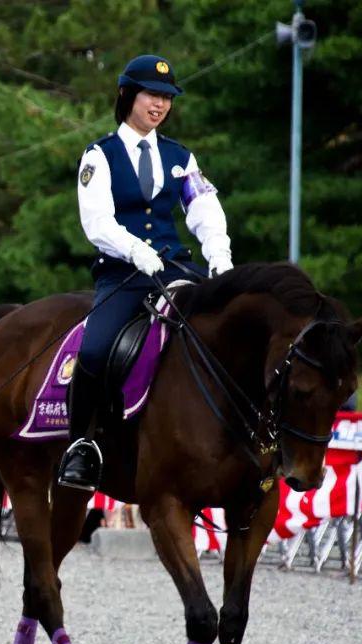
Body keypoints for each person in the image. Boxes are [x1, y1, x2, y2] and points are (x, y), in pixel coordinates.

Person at [58, 54, 234, 491]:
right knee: (96, 349)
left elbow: (204, 209)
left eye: (167, 98)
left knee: (226, 335)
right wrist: (135, 250)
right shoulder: (100, 155)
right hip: (122, 273)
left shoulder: (181, 157)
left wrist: (220, 259)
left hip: (175, 266)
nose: (160, 105)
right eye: (152, 95)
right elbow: (96, 222)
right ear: (127, 95)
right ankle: (80, 446)